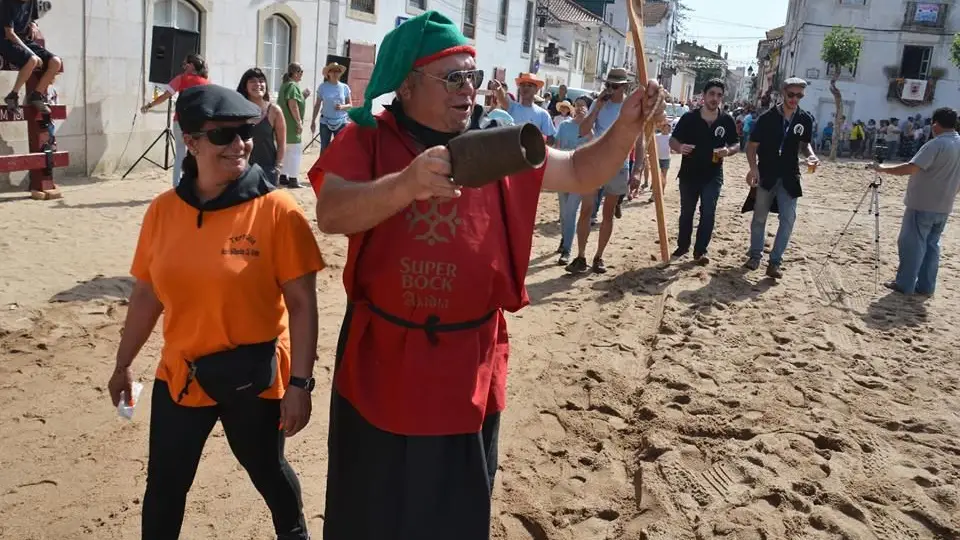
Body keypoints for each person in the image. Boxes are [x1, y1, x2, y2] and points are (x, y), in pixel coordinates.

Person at [305, 11, 665, 539]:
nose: (468, 90)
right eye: (453, 78)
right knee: (370, 518)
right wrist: (405, 184)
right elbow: (333, 212)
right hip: (381, 364)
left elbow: (583, 171)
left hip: (464, 369)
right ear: (406, 85)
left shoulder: (496, 143)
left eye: (472, 77)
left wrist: (629, 124)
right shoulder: (369, 141)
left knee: (452, 520)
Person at [108, 84, 324, 540]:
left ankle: (295, 532)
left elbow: (303, 304)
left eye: (246, 130)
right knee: (164, 485)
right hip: (181, 374)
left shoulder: (278, 210)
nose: (241, 144)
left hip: (252, 377)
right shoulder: (164, 212)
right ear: (191, 141)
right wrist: (123, 364)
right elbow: (147, 295)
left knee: (266, 468)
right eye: (223, 135)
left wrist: (301, 384)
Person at [871, 107, 960, 296]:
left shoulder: (936, 144)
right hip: (944, 205)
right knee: (932, 246)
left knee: (912, 244)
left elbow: (911, 168)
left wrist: (883, 169)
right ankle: (926, 286)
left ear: (935, 124)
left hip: (922, 204)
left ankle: (905, 284)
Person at [565, 66, 640, 274]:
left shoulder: (630, 107)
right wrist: (597, 106)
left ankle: (598, 257)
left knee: (607, 214)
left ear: (624, 87)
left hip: (619, 165)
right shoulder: (600, 104)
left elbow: (640, 140)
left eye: (615, 86)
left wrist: (637, 170)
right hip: (596, 162)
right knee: (587, 210)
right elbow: (583, 130)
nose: (611, 89)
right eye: (608, 85)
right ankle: (580, 256)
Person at [744, 77, 819, 278]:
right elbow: (751, 147)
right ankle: (755, 255)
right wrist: (753, 169)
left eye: (799, 96)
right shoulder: (767, 118)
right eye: (791, 94)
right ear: (783, 93)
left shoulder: (805, 119)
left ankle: (775, 262)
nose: (795, 99)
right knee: (759, 218)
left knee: (788, 219)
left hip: (790, 175)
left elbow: (804, 144)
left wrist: (811, 155)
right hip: (766, 174)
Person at [669, 78, 739, 264]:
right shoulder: (689, 118)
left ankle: (700, 251)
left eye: (719, 95)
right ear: (703, 96)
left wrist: (728, 151)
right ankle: (683, 246)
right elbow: (673, 140)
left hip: (713, 175)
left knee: (708, 212)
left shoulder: (726, 120)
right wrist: (680, 147)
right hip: (689, 174)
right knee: (687, 212)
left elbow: (735, 144)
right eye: (711, 94)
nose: (715, 98)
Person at [141, 54, 210, 187]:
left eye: (186, 64)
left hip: (181, 121)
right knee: (195, 154)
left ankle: (177, 185)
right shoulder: (207, 83)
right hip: (198, 123)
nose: (183, 66)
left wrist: (149, 106)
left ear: (192, 65)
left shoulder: (181, 79)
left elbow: (165, 96)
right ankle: (193, 183)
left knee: (180, 154)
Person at [0, 0, 61, 113]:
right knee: (32, 60)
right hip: (6, 40)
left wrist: (33, 24)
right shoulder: (6, 3)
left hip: (23, 39)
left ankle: (36, 95)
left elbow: (32, 18)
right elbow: (9, 33)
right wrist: (32, 53)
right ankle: (13, 95)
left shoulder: (32, 2)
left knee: (55, 62)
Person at [553, 96, 593, 265]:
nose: (580, 108)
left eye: (584, 106)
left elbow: (594, 147)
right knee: (563, 213)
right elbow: (557, 147)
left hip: (579, 176)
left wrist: (587, 125)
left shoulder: (591, 129)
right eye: (578, 105)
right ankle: (565, 239)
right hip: (563, 173)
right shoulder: (564, 125)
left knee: (570, 212)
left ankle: (567, 251)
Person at [237, 67, 286, 184]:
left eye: (261, 81)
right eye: (252, 81)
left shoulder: (274, 110)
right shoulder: (237, 110)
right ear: (245, 86)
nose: (258, 84)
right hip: (242, 168)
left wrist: (278, 167)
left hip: (267, 169)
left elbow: (282, 142)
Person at [492, 72, 556, 144]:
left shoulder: (543, 114)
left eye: (529, 85)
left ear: (536, 90)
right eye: (523, 85)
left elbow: (550, 139)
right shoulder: (512, 107)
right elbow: (502, 98)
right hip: (512, 151)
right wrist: (499, 89)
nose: (525, 88)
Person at [310, 61, 352, 153]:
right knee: (324, 148)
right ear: (328, 73)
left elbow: (350, 105)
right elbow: (317, 105)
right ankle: (322, 167)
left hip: (341, 122)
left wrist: (342, 107)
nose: (335, 73)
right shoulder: (323, 87)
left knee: (340, 149)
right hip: (325, 122)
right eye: (332, 71)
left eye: (337, 71)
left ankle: (337, 167)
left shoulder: (345, 87)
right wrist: (313, 121)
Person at [278, 62, 309, 188]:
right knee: (295, 153)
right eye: (301, 71)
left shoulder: (285, 85)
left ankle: (283, 177)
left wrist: (303, 96)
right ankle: (293, 179)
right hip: (291, 125)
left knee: (286, 152)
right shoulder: (293, 86)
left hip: (283, 124)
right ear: (295, 73)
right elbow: (293, 105)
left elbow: (292, 101)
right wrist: (299, 122)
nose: (302, 74)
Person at [651, 120, 672, 203]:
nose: (665, 129)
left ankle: (661, 192)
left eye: (667, 128)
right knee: (656, 176)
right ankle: (654, 194)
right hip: (657, 158)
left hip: (666, 158)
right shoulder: (657, 136)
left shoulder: (671, 137)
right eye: (664, 127)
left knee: (663, 176)